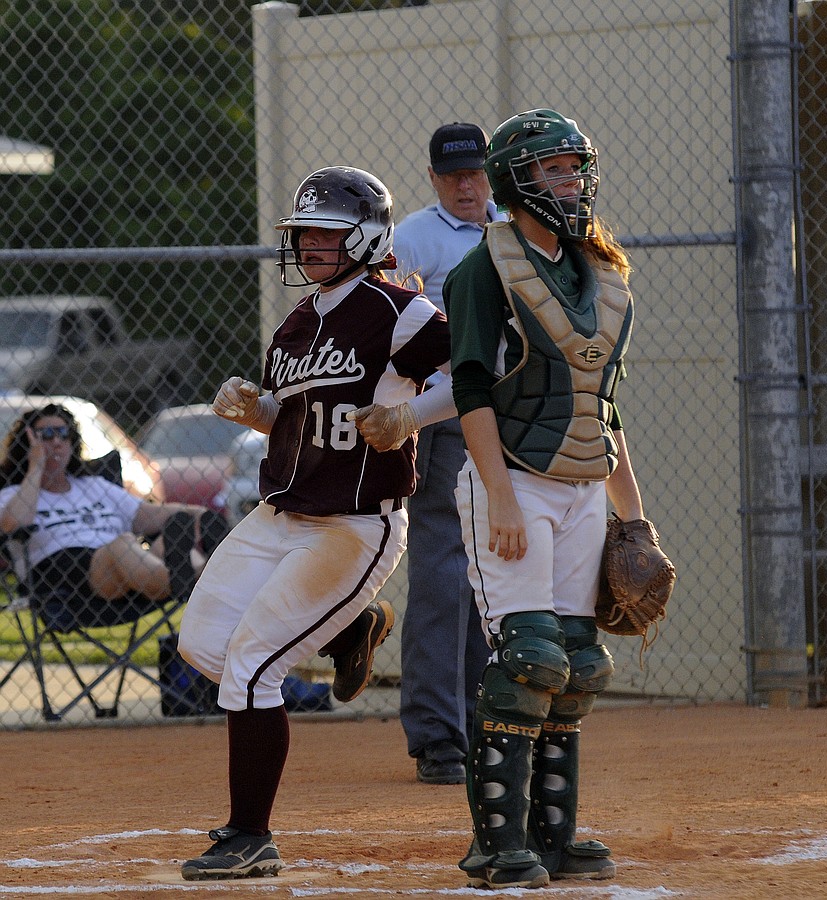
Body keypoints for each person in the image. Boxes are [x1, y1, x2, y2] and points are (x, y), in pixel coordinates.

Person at [176, 165, 456, 881]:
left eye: (327, 233)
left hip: (353, 526)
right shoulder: (299, 321)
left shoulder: (399, 310)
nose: (310, 246)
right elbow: (297, 420)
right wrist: (256, 410)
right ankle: (347, 628)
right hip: (281, 514)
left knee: (251, 666)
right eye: (304, 234)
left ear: (367, 237)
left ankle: (250, 835)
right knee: (204, 645)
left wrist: (410, 415)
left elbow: (486, 370)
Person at [443, 109, 645, 889]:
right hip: (514, 482)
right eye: (553, 170)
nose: (571, 183)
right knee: (527, 659)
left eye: (575, 168)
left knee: (580, 664)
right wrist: (498, 497)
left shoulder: (601, 273)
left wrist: (637, 518)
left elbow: (606, 409)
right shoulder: (484, 267)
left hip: (584, 489)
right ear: (515, 181)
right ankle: (497, 843)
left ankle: (554, 837)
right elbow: (469, 389)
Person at [391, 122, 502, 785]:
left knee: (493, 576)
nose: (466, 184)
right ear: (433, 178)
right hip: (442, 422)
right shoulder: (413, 238)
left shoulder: (512, 230)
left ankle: (484, 720)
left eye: (476, 172)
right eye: (452, 174)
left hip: (508, 419)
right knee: (441, 575)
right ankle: (438, 737)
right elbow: (398, 340)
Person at [0, 403, 222, 616]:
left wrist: (199, 515)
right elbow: (12, 525)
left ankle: (186, 576)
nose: (57, 441)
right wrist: (36, 466)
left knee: (170, 536)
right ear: (28, 442)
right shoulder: (14, 494)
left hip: (128, 570)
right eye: (46, 434)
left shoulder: (94, 485)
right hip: (63, 576)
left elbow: (148, 514)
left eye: (63, 433)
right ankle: (204, 577)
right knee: (122, 544)